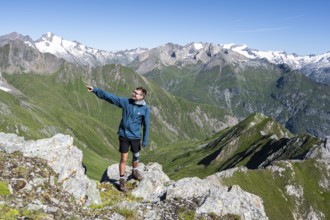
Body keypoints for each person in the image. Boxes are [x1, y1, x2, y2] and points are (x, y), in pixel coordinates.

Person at [86, 85, 150, 192]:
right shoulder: (126, 102)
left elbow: (146, 125)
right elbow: (111, 97)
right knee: (123, 158)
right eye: (133, 92)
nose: (133, 94)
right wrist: (96, 90)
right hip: (124, 135)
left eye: (136, 93)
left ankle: (134, 171)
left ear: (142, 97)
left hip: (135, 137)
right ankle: (122, 180)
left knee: (136, 156)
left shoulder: (145, 109)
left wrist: (145, 140)